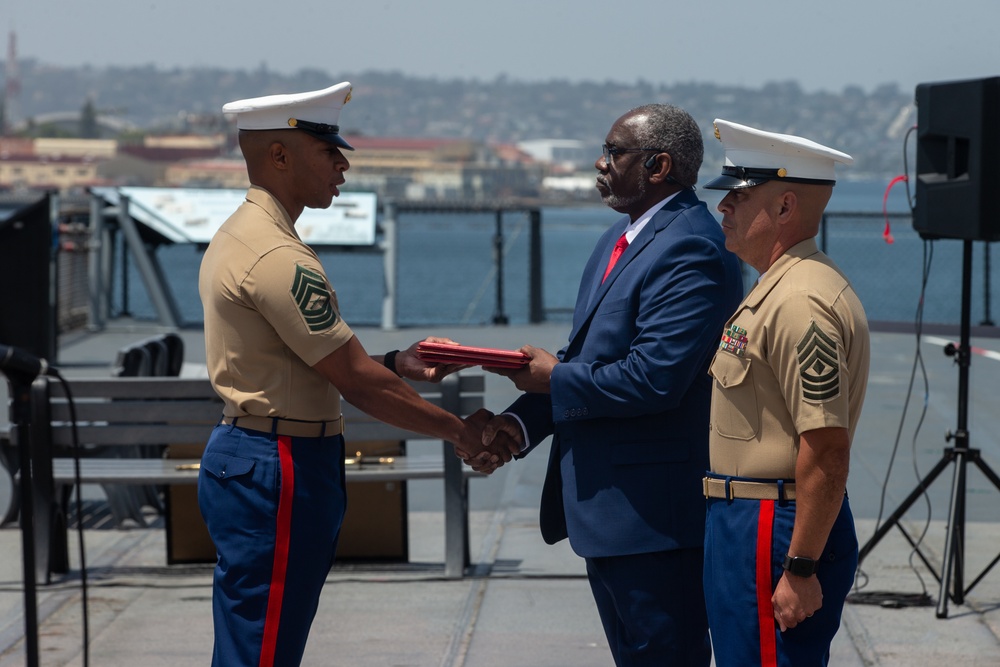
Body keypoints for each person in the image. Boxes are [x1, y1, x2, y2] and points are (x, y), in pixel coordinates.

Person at [197, 81, 516, 667]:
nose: (342, 163)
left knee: (257, 639)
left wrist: (396, 363)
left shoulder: (246, 236)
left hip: (263, 456)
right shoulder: (276, 256)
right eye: (328, 150)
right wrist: (460, 433)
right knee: (263, 647)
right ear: (280, 155)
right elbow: (356, 381)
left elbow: (313, 362)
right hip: (282, 466)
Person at [478, 104, 743, 666]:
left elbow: (654, 379)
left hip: (653, 522)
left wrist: (554, 377)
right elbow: (588, 360)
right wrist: (520, 424)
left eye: (614, 151)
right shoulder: (617, 241)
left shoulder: (692, 247)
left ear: (658, 165)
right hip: (611, 517)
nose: (600, 163)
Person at [700, 119, 871, 666]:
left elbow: (825, 448)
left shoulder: (800, 301)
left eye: (739, 194)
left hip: (773, 528)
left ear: (784, 207)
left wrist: (800, 567)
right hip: (749, 521)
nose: (723, 207)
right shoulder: (781, 287)